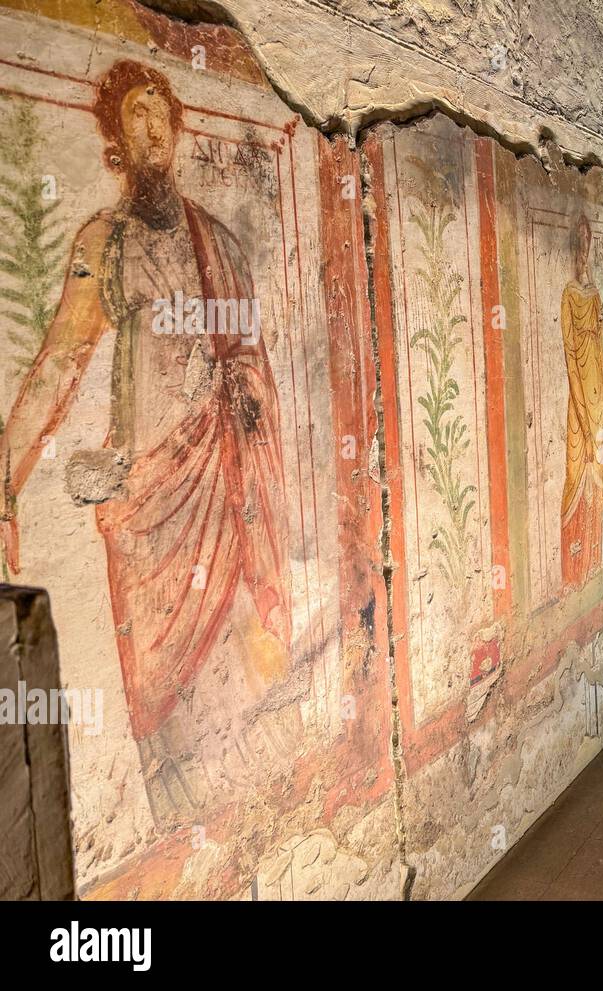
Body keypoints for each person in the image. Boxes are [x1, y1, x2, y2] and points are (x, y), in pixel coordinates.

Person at [0, 59, 297, 826]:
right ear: (113, 139)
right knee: (163, 694)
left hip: (220, 488)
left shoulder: (219, 244)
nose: (152, 124)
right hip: (147, 500)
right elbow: (56, 368)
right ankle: (181, 829)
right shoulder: (102, 243)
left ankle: (247, 819)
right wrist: (6, 476)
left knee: (231, 673)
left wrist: (245, 396)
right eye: (134, 112)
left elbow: (254, 368)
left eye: (161, 107)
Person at [559, 216, 603, 589]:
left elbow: (602, 348)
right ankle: (572, 572)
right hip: (579, 397)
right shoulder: (568, 294)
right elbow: (571, 351)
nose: (584, 247)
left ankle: (594, 559)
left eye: (588, 240)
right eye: (579, 240)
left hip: (600, 392)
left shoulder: (594, 293)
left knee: (600, 473)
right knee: (576, 470)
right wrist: (582, 408)